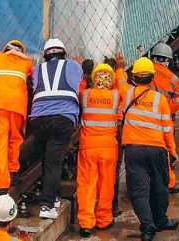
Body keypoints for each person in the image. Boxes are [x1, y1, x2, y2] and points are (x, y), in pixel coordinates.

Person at [23, 38, 83, 220]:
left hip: (39, 119)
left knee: (46, 158)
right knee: (53, 162)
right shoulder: (73, 66)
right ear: (64, 54)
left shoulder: (37, 69)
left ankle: (54, 196)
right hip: (63, 118)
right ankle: (47, 204)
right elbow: (77, 84)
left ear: (45, 55)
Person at [120, 57, 179, 241]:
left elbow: (120, 81)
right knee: (160, 185)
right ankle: (161, 220)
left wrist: (120, 67)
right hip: (157, 149)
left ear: (134, 77)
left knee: (138, 190)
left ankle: (147, 228)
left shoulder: (127, 93)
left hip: (134, 150)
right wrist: (173, 151)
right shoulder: (160, 100)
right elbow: (167, 128)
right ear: (152, 78)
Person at [76, 63, 119, 236]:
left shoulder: (85, 95)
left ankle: (86, 223)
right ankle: (104, 219)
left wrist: (84, 74)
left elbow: (79, 87)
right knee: (106, 184)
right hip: (109, 148)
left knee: (87, 184)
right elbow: (121, 86)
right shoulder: (116, 96)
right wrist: (119, 70)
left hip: (88, 146)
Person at [0, 40, 34, 196]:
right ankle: (13, 172)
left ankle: (1, 184)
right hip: (17, 106)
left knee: (0, 143)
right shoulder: (27, 63)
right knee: (15, 139)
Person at [148, 43, 179, 194]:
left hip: (147, 120)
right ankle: (169, 183)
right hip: (165, 122)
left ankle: (149, 181)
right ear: (167, 60)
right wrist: (166, 109)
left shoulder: (146, 72)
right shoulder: (174, 79)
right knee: (167, 152)